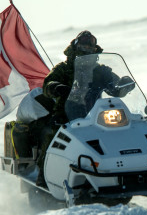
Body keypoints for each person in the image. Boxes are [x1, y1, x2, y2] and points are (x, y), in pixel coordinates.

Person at [32, 30, 103, 187]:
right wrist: (56, 87)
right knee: (53, 134)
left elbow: (114, 81)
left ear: (94, 49)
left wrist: (122, 85)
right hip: (66, 112)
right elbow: (48, 84)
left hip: (94, 114)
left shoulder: (99, 70)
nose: (87, 49)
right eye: (84, 45)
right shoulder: (64, 68)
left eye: (90, 47)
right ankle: (44, 176)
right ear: (77, 46)